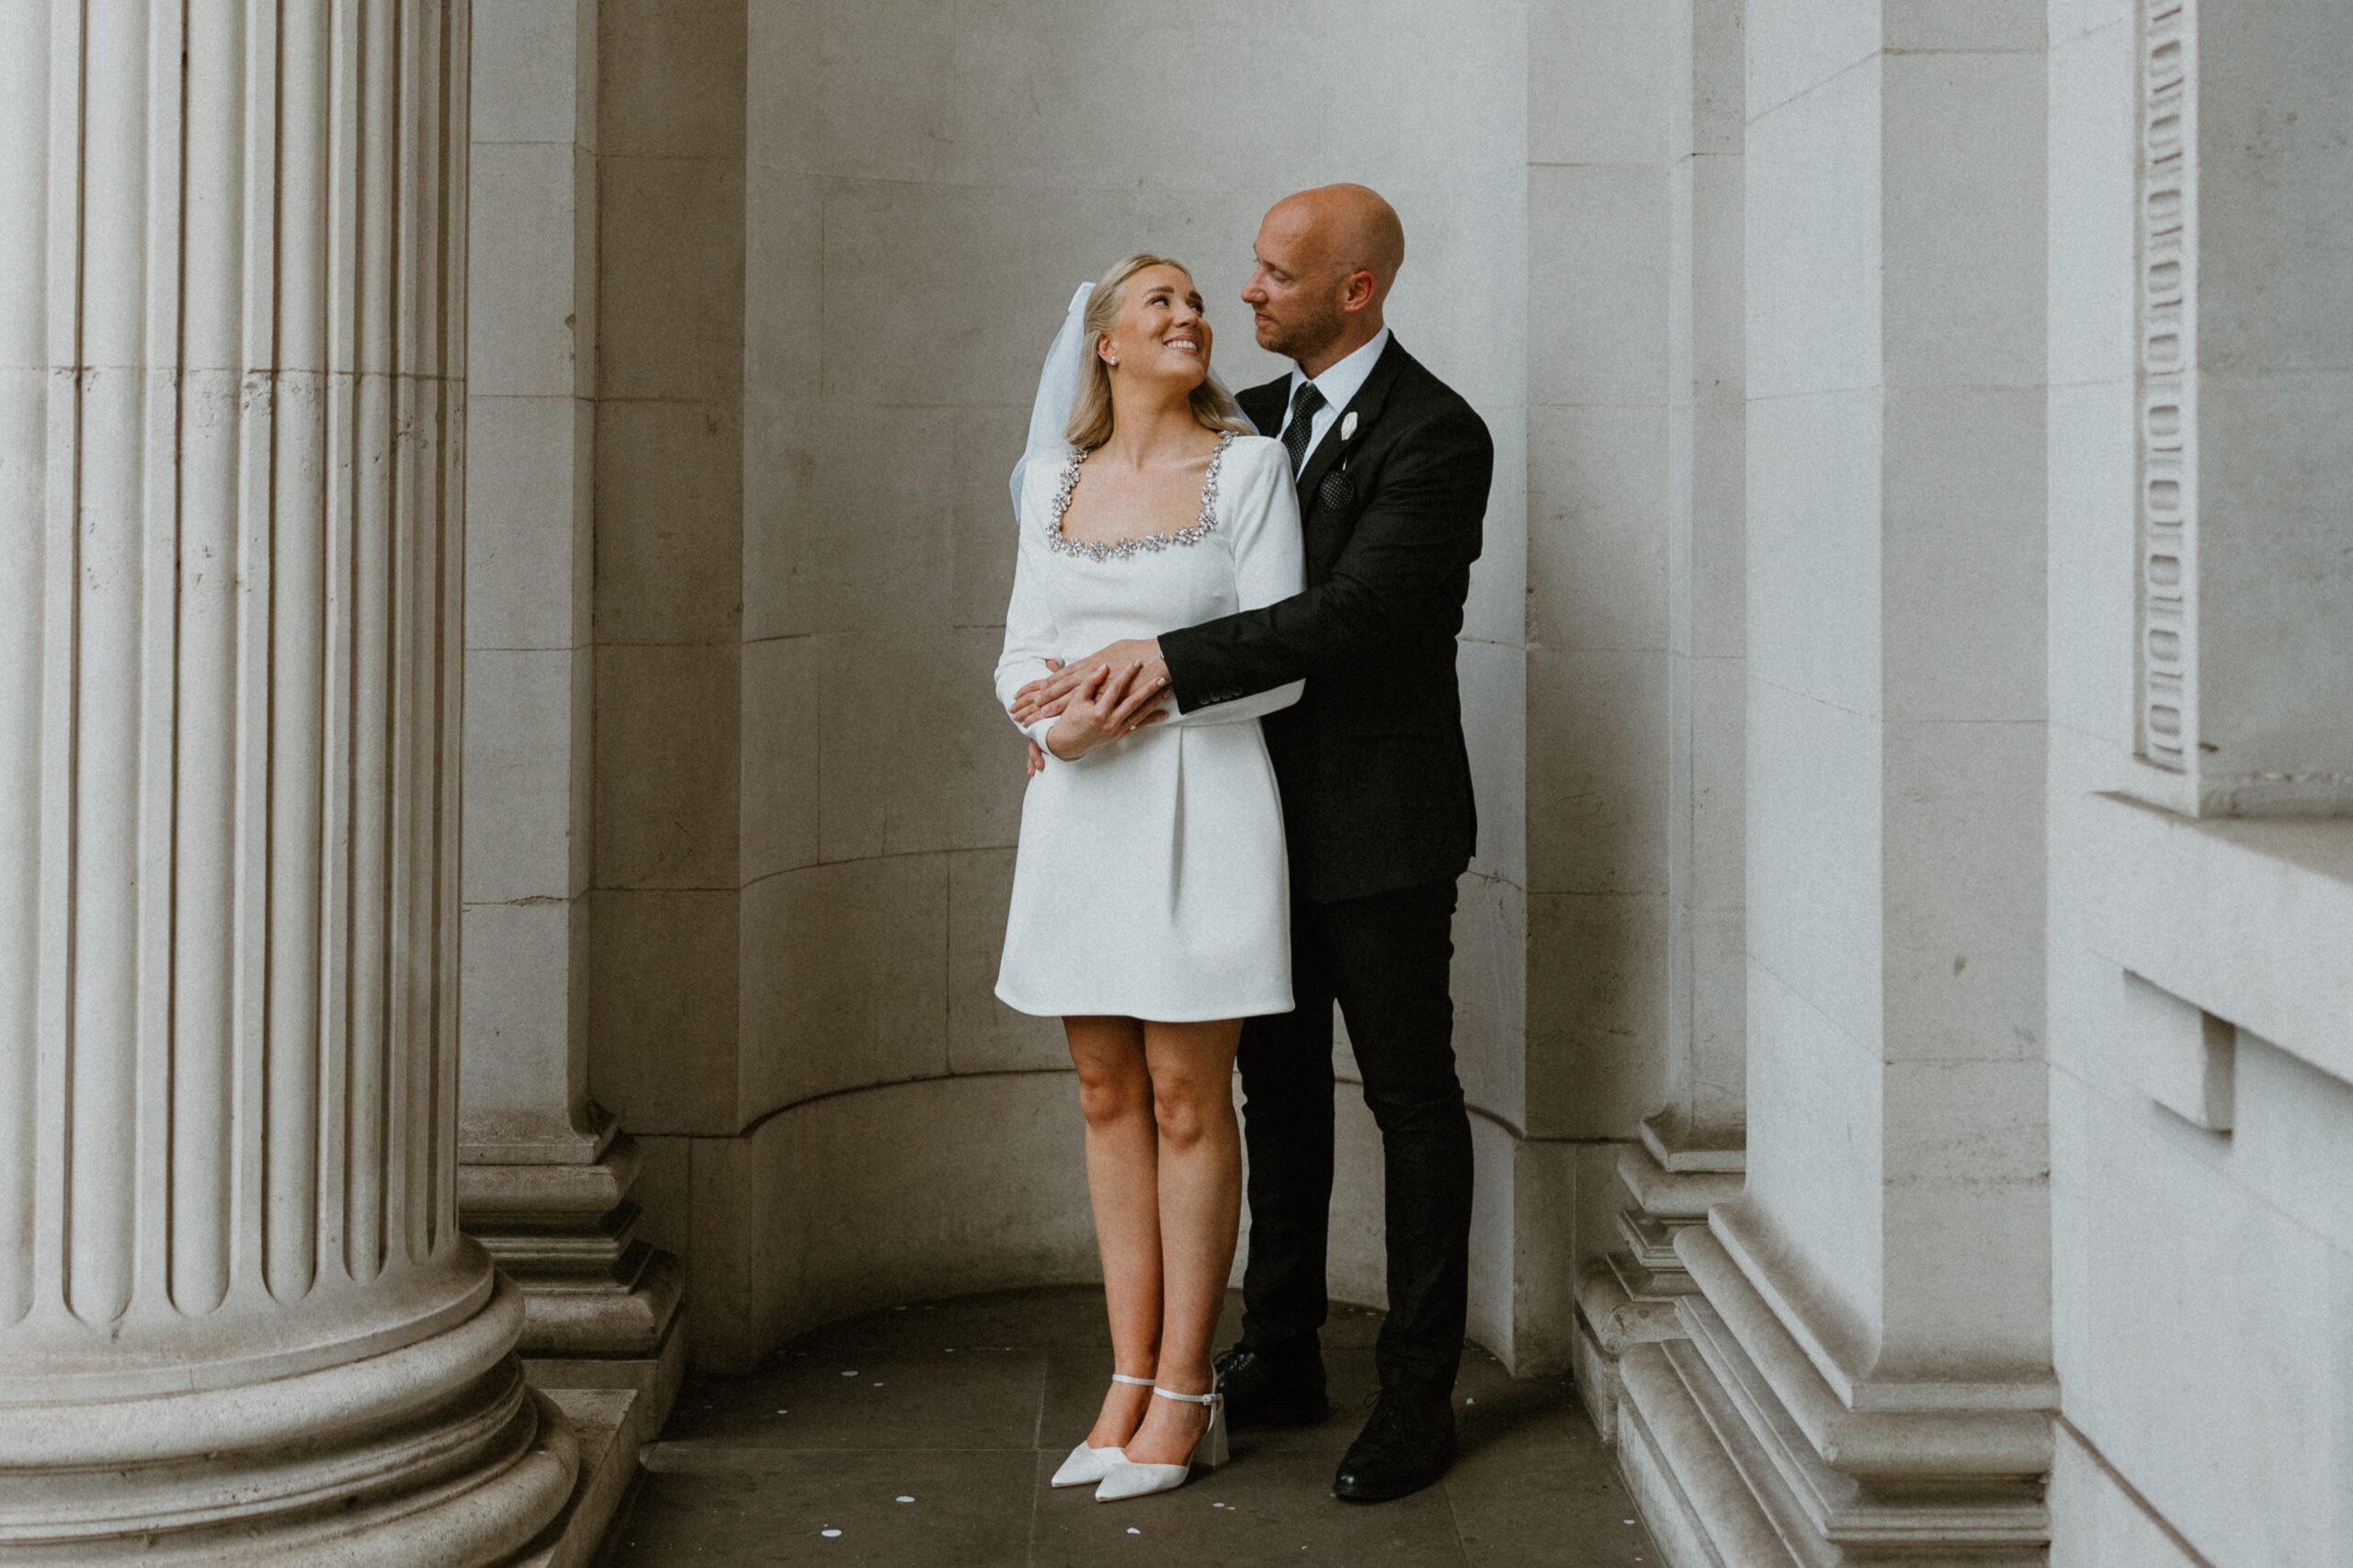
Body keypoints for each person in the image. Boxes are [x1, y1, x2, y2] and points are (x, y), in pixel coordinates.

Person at [1009, 185, 1494, 1505]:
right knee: (1265, 1098)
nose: (1246, 294)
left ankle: (1413, 1391)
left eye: (1276, 275)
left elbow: (1346, 616)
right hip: (1241, 823)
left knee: (1409, 1099)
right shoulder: (1251, 430)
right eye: (1247, 272)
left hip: (1382, 824)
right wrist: (1062, 704)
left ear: (1356, 291)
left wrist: (1142, 667)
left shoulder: (1441, 435)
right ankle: (1278, 1344)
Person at [993, 255, 1305, 1504]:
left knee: (1188, 1099)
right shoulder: (1054, 484)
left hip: (1205, 800)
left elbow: (1283, 658)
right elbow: (1020, 642)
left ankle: (1186, 1387)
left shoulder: (1251, 468)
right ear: (1106, 342)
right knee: (1101, 1088)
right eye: (1159, 301)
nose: (1191, 315)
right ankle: (1123, 1378)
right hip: (1079, 809)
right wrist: (1042, 706)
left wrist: (1150, 673)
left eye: (1196, 302)